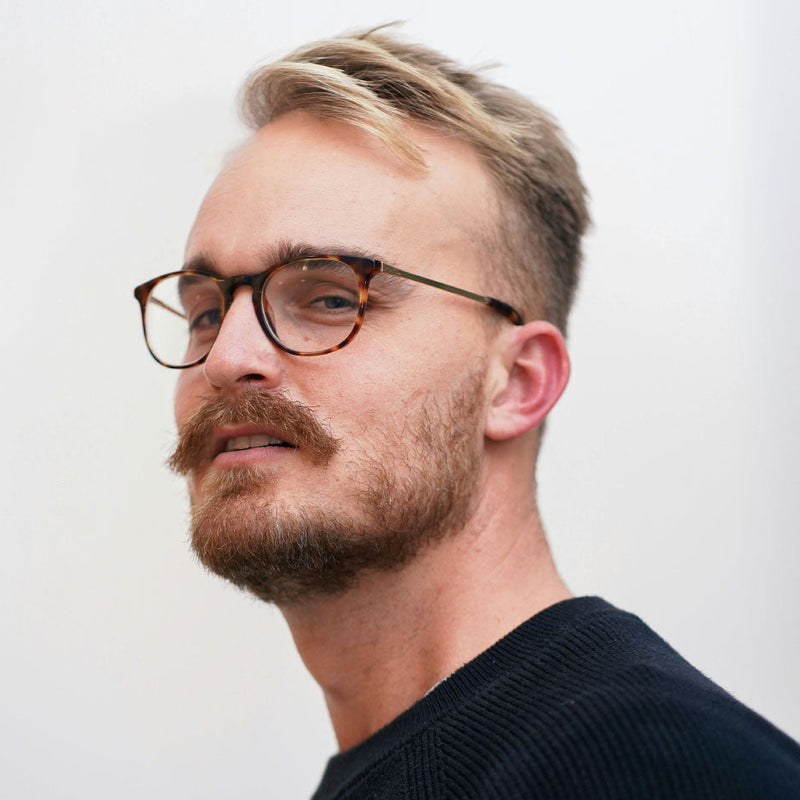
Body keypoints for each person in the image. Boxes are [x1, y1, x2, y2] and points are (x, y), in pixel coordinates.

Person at [134, 27, 800, 799]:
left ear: (517, 382)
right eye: (206, 311)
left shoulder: (646, 768)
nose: (225, 358)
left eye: (331, 297)